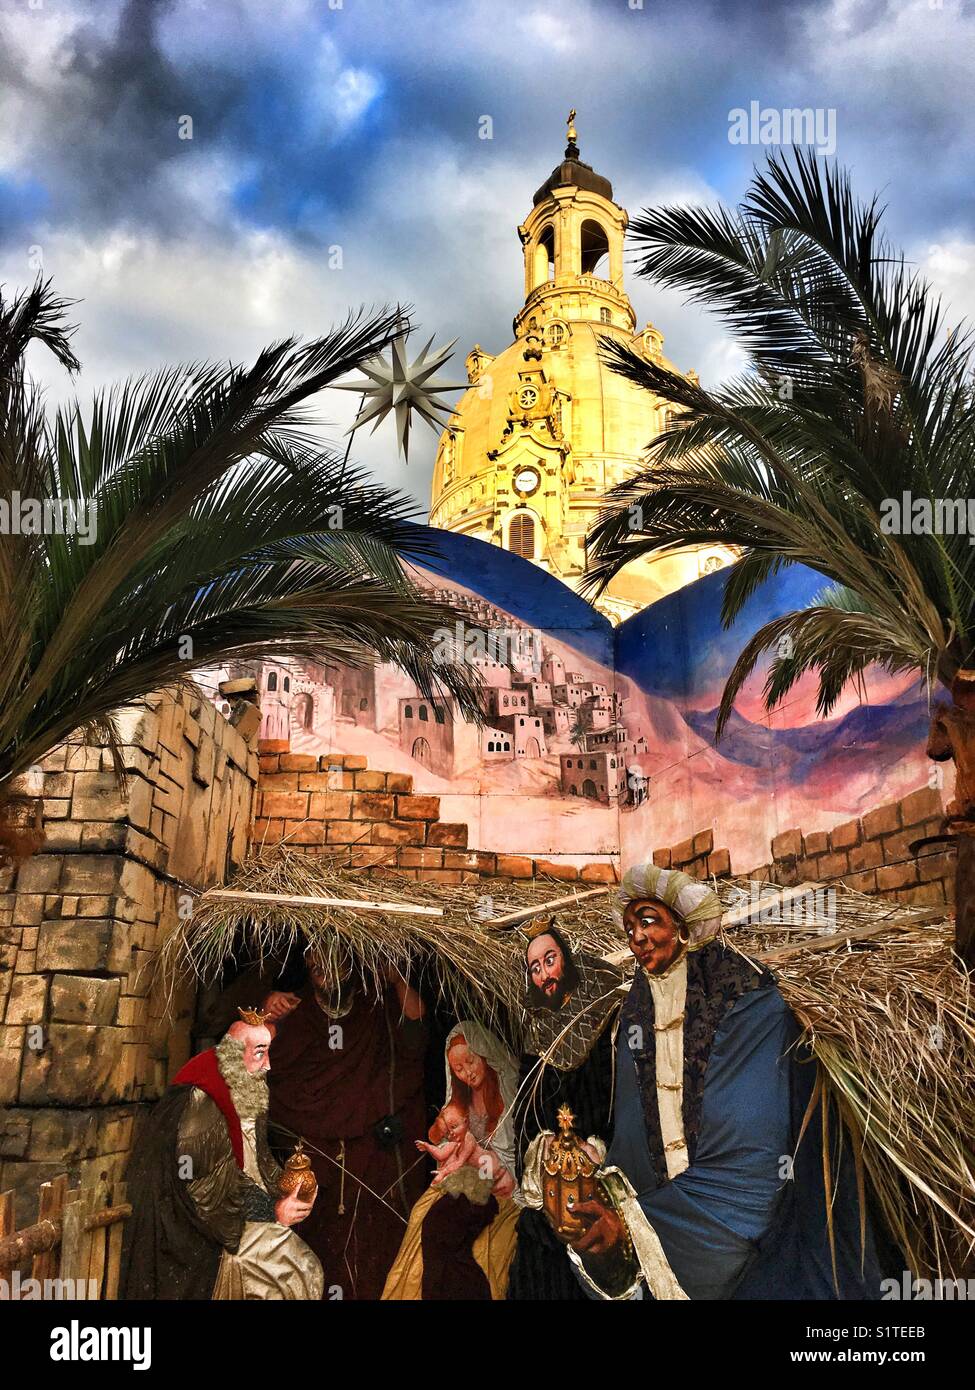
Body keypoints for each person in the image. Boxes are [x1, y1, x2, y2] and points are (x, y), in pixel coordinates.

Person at [522, 862, 894, 1300]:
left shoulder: (742, 998)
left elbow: (752, 1147)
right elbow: (632, 1132)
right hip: (660, 1199)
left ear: (681, 927)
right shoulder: (633, 1016)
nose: (636, 937)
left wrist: (640, 1219)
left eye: (647, 921)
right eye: (629, 928)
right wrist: (604, 1178)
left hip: (740, 1221)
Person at [120, 1009, 323, 1300]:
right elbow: (205, 1193)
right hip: (191, 1232)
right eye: (260, 1054)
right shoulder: (203, 1102)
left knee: (302, 1265)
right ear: (234, 1054)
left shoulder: (246, 1088)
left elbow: (258, 1162)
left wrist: (289, 1186)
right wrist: (273, 1213)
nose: (268, 1065)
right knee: (293, 1267)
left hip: (231, 1215)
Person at [265, 946, 427, 1300]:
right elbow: (262, 1060)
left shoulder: (374, 1003)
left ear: (350, 964)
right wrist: (267, 1013)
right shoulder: (299, 1011)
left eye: (331, 964)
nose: (323, 973)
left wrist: (397, 980)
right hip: (317, 1147)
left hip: (368, 1146)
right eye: (316, 968)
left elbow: (416, 1031)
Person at [506, 918, 623, 1301]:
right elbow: (525, 1116)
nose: (544, 974)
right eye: (535, 968)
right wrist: (545, 1147)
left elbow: (618, 1099)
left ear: (566, 959)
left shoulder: (605, 1010)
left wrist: (595, 1147)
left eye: (550, 960)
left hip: (599, 1174)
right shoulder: (536, 1032)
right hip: (553, 1176)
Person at [382, 1021, 521, 1300]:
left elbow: (509, 1158)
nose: (467, 1073)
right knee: (423, 1221)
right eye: (458, 1069)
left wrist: (477, 1161)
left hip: (500, 1187)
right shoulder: (460, 1099)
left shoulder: (506, 1088)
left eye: (470, 1062)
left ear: (484, 1055)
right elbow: (446, 1141)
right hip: (467, 1181)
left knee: (482, 1252)